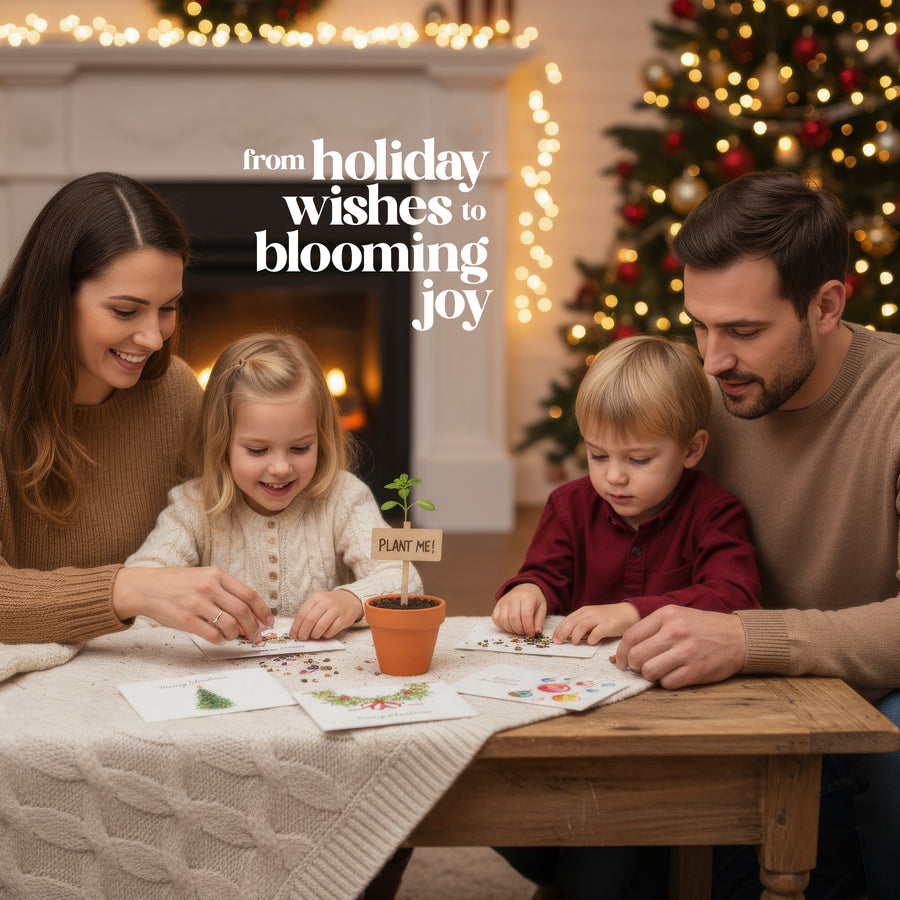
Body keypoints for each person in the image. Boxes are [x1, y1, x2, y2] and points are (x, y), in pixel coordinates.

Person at [614, 171, 900, 900]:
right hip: (730, 691)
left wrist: (748, 638)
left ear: (827, 305)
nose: (711, 360)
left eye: (743, 331)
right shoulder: (699, 402)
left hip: (866, 690)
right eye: (699, 325)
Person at [492, 334, 760, 900]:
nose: (614, 476)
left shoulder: (715, 513)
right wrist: (525, 590)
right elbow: (542, 572)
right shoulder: (569, 506)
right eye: (597, 455)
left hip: (660, 731)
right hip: (570, 717)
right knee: (497, 802)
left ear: (691, 449)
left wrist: (632, 611)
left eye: (638, 460)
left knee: (608, 857)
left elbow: (738, 596)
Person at [0, 172, 273, 656]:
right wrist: (131, 589)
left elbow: (218, 534)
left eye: (168, 308)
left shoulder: (175, 392)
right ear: (55, 300)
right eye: (126, 311)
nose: (153, 337)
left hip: (150, 670)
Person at [126, 332, 421, 639]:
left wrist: (352, 601)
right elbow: (140, 584)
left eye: (300, 448)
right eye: (257, 450)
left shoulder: (344, 497)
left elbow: (404, 580)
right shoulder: (193, 505)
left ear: (322, 438)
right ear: (220, 443)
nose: (281, 468)